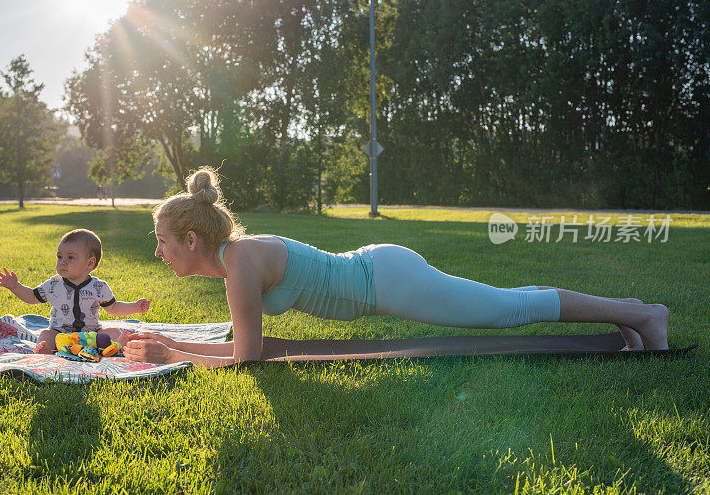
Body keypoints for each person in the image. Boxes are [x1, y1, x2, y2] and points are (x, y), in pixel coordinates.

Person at [122, 168, 669, 367]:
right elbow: (245, 342)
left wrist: (174, 352)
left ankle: (643, 317)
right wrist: (171, 344)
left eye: (162, 241)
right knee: (510, 302)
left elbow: (248, 356)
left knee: (510, 308)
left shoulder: (239, 263)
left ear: (191, 238)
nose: (158, 252)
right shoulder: (233, 261)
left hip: (387, 281)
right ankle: (631, 313)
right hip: (381, 271)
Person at [0, 228, 151, 354]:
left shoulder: (98, 287)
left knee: (114, 332)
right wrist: (16, 287)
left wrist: (135, 307)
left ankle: (114, 348)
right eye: (59, 257)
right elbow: (32, 297)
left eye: (70, 258)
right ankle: (44, 351)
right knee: (45, 336)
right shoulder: (54, 284)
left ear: (89, 264)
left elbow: (114, 308)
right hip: (60, 336)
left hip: (91, 336)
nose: (62, 262)